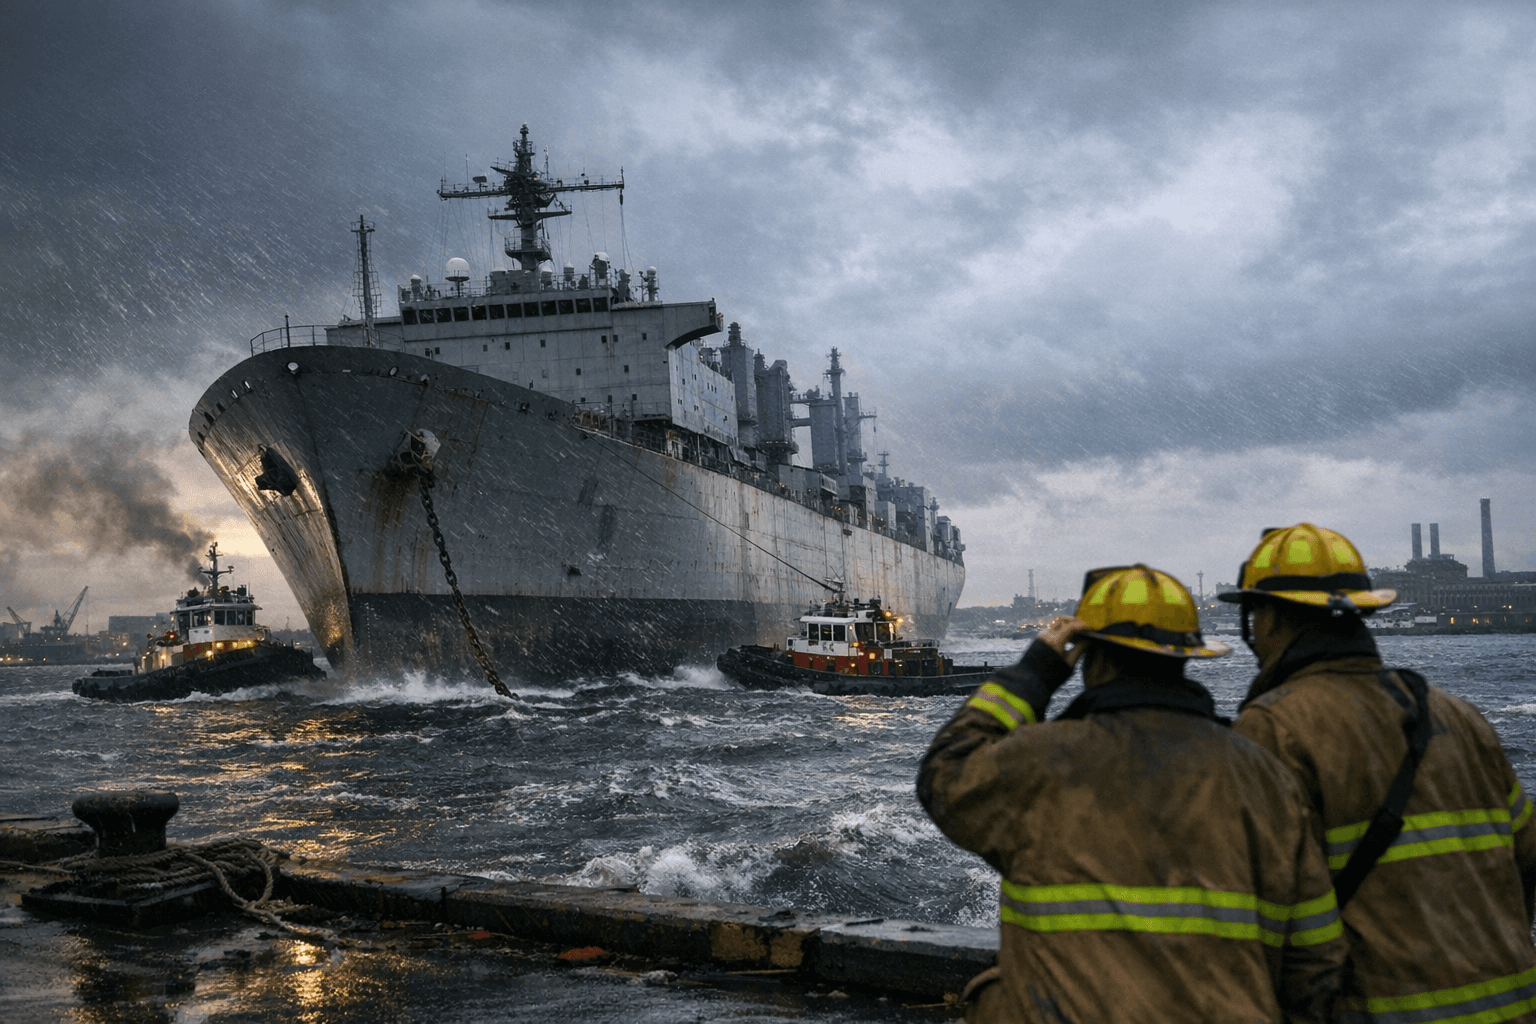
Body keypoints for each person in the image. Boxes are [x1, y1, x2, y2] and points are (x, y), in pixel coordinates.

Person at [919, 564, 1343, 1022]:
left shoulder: (1037, 762)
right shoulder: (1265, 775)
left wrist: (1035, 672)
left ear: (1092, 657)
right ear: (1185, 657)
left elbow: (945, 773)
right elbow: (1317, 959)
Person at [1222, 522, 1536, 1022]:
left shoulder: (1274, 729)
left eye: (1255, 614)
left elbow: (1267, 914)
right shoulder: (1458, 715)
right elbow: (1526, 859)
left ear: (1269, 618)